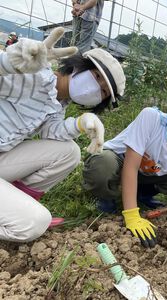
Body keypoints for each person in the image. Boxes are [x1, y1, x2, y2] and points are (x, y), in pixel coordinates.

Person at [0, 27, 126, 242]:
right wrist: (9, 63)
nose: (96, 88)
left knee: (69, 151)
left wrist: (80, 123)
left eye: (103, 92)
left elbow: (52, 131)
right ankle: (16, 211)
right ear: (78, 66)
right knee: (33, 223)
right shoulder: (36, 76)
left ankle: (17, 201)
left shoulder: (59, 103)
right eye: (96, 76)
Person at [82, 90, 167, 276]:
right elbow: (130, 166)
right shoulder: (151, 118)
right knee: (102, 166)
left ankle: (141, 194)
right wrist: (131, 215)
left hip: (145, 173)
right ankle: (108, 196)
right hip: (119, 162)